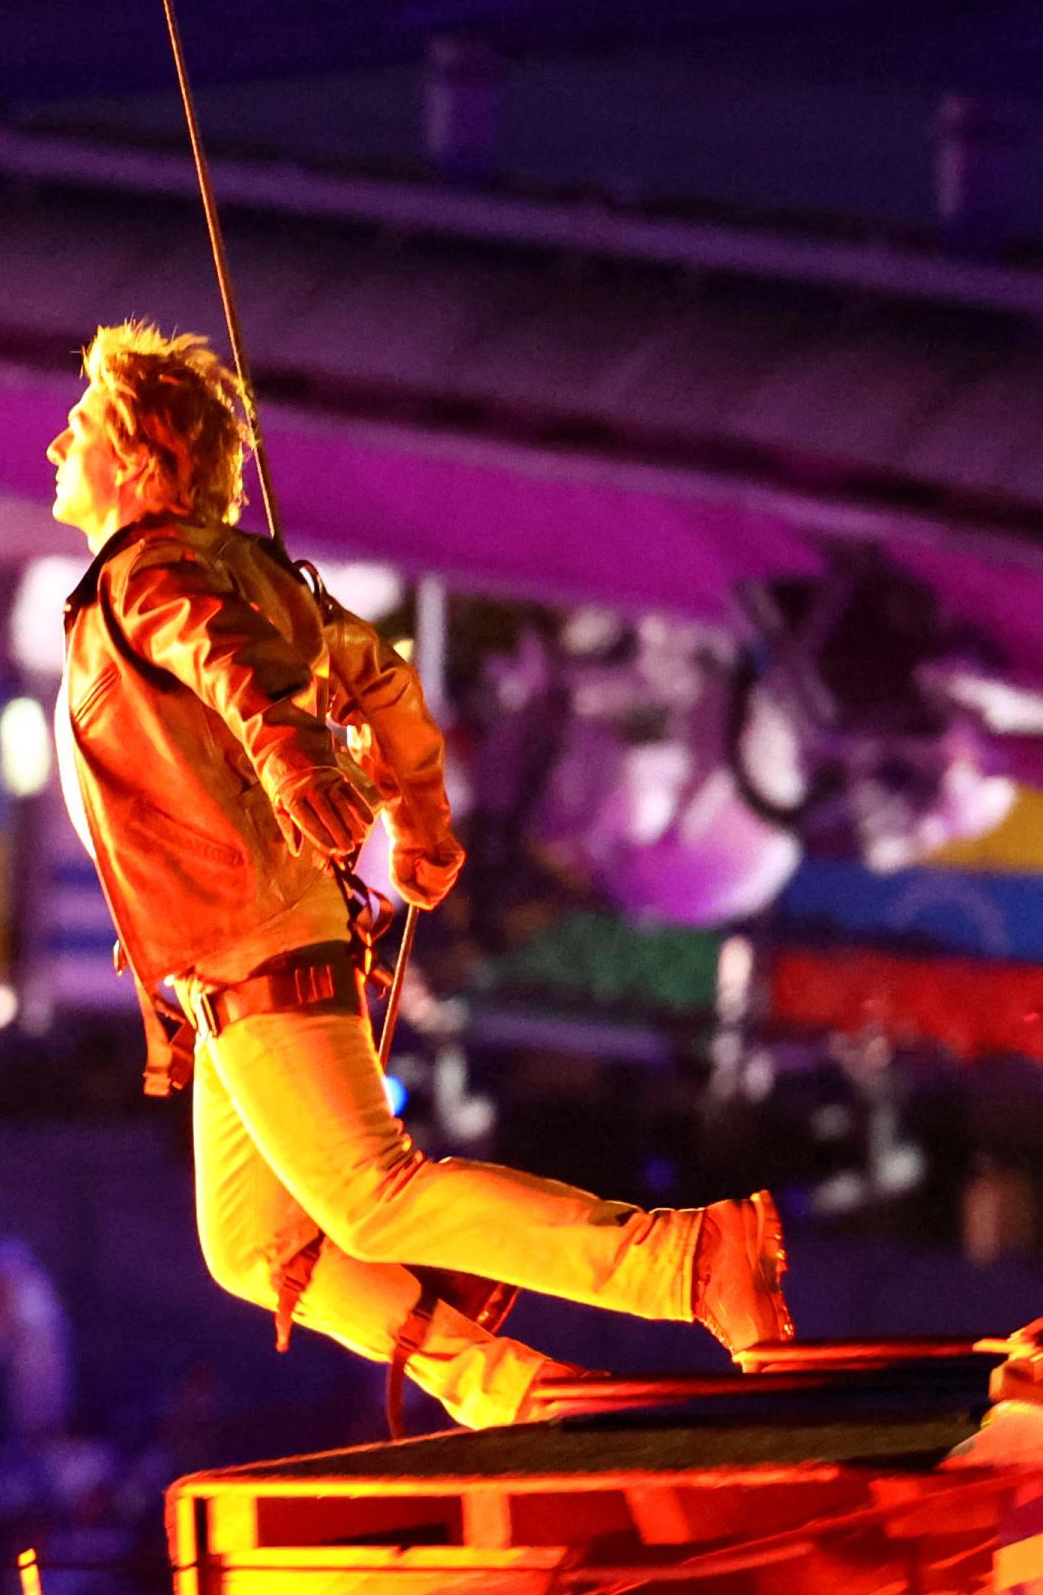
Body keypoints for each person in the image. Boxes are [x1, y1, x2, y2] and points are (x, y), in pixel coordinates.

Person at [44, 321, 790, 1430]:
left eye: (84, 424)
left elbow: (229, 666)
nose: (59, 442)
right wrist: (420, 816)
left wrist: (301, 764)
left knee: (372, 1198)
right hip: (238, 958)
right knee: (254, 1246)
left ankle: (687, 1259)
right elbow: (379, 678)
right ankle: (514, 1389)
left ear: (144, 462)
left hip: (256, 944)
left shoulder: (147, 575)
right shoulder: (245, 569)